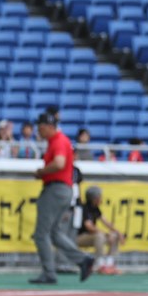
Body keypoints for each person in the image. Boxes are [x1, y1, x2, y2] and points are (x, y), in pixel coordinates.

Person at [29, 112, 94, 284]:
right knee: (55, 233)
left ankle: (49, 273)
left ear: (50, 127)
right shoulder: (58, 141)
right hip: (64, 190)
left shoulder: (58, 141)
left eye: (41, 128)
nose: (39, 131)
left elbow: (59, 163)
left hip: (55, 189)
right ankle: (83, 260)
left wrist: (41, 172)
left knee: (41, 234)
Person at [76, 186, 124, 275]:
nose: (101, 198)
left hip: (91, 237)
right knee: (100, 236)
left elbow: (106, 223)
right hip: (79, 237)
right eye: (99, 196)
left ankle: (109, 264)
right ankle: (100, 264)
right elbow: (89, 227)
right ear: (93, 198)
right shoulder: (84, 208)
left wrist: (118, 233)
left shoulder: (96, 209)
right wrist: (106, 234)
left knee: (114, 235)